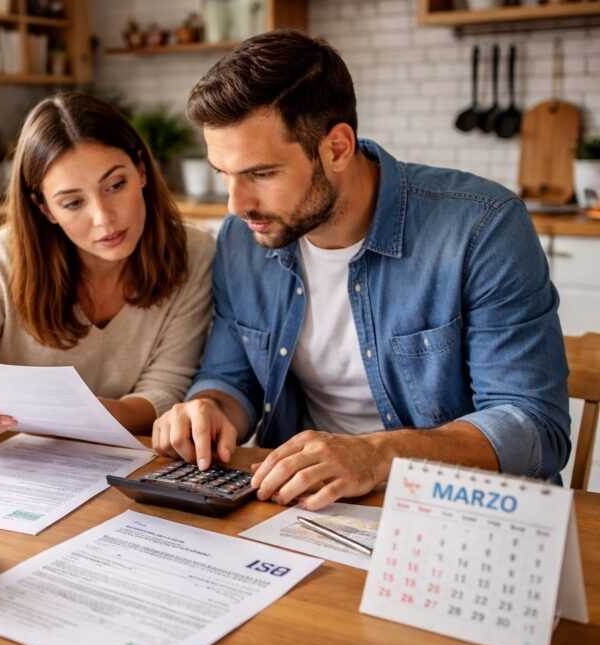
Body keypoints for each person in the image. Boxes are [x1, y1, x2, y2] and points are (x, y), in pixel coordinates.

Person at [152, 30, 570, 510]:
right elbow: (231, 378)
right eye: (223, 174)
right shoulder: (243, 238)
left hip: (460, 513)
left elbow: (535, 426)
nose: (236, 204)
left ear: (337, 148)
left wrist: (376, 456)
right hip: (308, 507)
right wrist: (208, 410)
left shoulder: (481, 226)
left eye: (261, 174)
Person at [0, 92, 215, 445]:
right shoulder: (6, 257)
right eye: (73, 202)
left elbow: (165, 394)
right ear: (45, 209)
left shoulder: (194, 253)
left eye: (116, 185)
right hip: (24, 468)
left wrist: (66, 414)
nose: (103, 218)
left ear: (141, 170)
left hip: (132, 464)